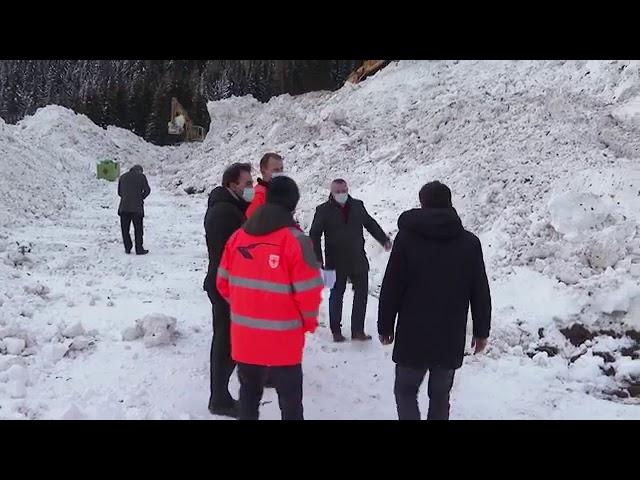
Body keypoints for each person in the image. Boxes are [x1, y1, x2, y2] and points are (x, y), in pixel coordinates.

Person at [377, 181, 492, 420]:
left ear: (422, 203)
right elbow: (480, 290)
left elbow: (392, 286)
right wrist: (481, 331)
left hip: (412, 333)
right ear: (450, 203)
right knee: (440, 396)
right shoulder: (469, 243)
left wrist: (385, 326)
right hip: (449, 335)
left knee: (406, 390)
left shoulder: (407, 239)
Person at [216, 176, 322, 420]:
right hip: (284, 340)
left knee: (249, 396)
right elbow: (309, 292)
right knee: (291, 401)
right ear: (293, 205)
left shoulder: (238, 238)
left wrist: (246, 308)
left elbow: (222, 283)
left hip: (245, 337)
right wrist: (307, 323)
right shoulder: (298, 242)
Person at [309, 179, 391, 343]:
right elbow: (314, 234)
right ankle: (336, 331)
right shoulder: (323, 210)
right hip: (332, 261)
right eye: (338, 191)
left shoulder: (358, 206)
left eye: (344, 190)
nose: (341, 194)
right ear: (331, 192)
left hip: (357, 258)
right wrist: (317, 258)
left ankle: (358, 330)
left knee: (361, 294)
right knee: (335, 295)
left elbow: (370, 223)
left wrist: (383, 239)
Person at [203, 162, 254, 418]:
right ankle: (220, 399)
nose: (251, 188)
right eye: (247, 183)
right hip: (227, 287)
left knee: (227, 340)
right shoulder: (225, 212)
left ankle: (220, 395)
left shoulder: (231, 207)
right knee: (225, 343)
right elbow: (233, 254)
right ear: (231, 185)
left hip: (228, 284)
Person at [117, 164, 151, 255]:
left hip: (124, 207)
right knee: (138, 229)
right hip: (137, 208)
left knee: (125, 229)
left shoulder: (123, 177)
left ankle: (127, 247)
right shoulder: (141, 177)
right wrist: (141, 197)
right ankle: (139, 249)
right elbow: (147, 190)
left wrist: (125, 197)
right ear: (140, 171)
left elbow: (119, 192)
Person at [245, 152, 284, 218]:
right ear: (263, 171)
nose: (280, 173)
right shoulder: (258, 195)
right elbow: (252, 224)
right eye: (276, 170)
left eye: (281, 169)